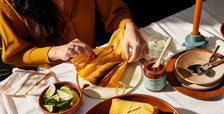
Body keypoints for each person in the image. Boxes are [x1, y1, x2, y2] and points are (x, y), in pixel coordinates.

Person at [0, 0, 148, 68]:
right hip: (55, 75)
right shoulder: (7, 3)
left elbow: (115, 13)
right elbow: (15, 53)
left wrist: (128, 26)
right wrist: (57, 52)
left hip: (96, 60)